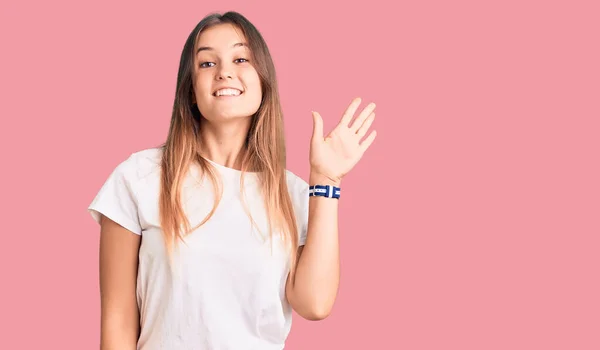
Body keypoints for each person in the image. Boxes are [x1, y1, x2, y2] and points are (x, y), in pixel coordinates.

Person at [88, 11, 376, 350]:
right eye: (207, 64)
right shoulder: (139, 176)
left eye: (241, 58)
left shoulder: (294, 193)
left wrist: (326, 180)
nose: (225, 71)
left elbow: (314, 303)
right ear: (191, 91)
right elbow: (118, 321)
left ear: (263, 81)